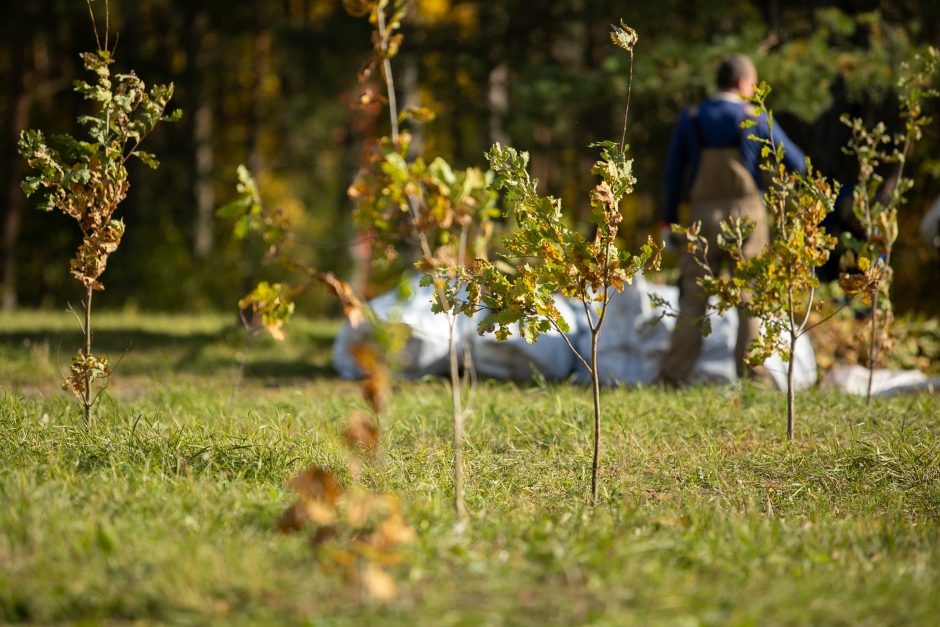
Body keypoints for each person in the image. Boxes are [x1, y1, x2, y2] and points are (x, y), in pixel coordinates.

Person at [658, 53, 807, 386]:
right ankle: (753, 376)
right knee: (749, 295)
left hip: (701, 215)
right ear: (743, 83)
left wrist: (667, 220)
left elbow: (672, 174)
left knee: (694, 295)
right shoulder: (754, 115)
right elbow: (797, 162)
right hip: (748, 215)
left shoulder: (692, 117)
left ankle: (672, 377)